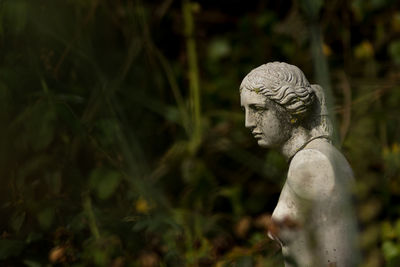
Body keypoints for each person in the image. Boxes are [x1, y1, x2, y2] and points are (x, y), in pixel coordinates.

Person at [240, 62, 359, 266]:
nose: (248, 122)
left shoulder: (312, 162)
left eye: (257, 109)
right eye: (245, 110)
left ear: (290, 107)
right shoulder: (314, 157)